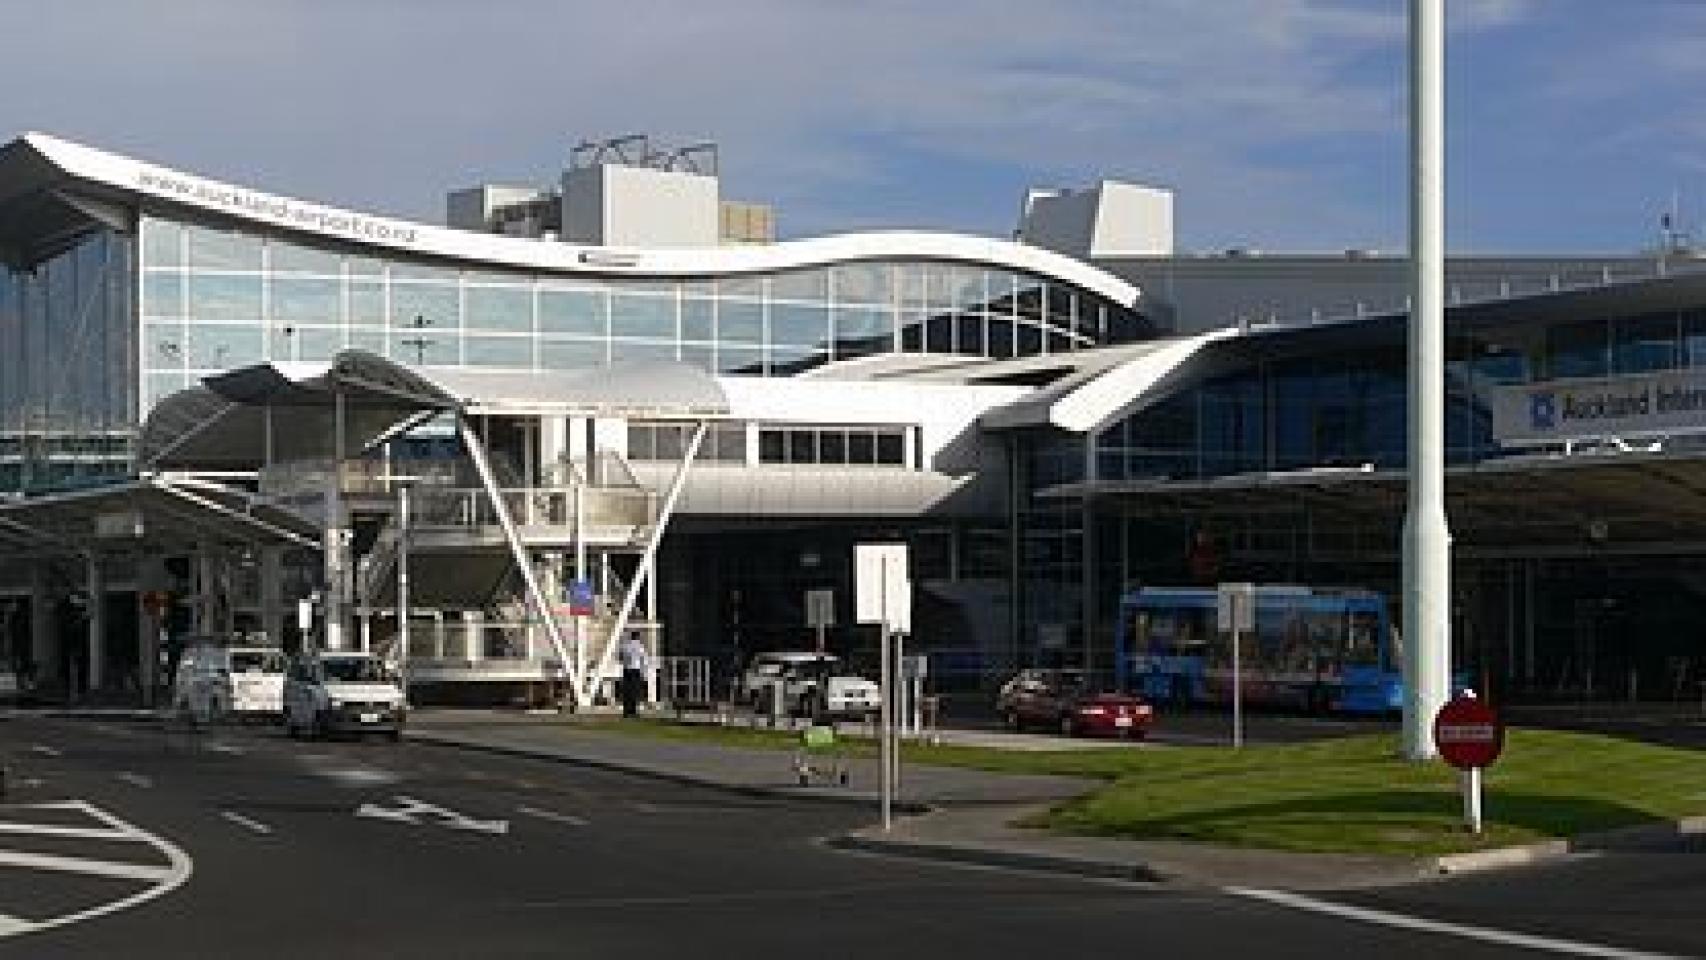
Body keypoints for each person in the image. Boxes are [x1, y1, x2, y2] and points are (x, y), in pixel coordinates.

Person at [617, 631, 650, 718]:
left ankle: (626, 711)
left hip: (627, 670)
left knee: (627, 690)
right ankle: (633, 710)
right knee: (635, 690)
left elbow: (621, 658)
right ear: (638, 637)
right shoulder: (640, 647)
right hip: (636, 669)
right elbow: (644, 660)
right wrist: (645, 673)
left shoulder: (626, 646)